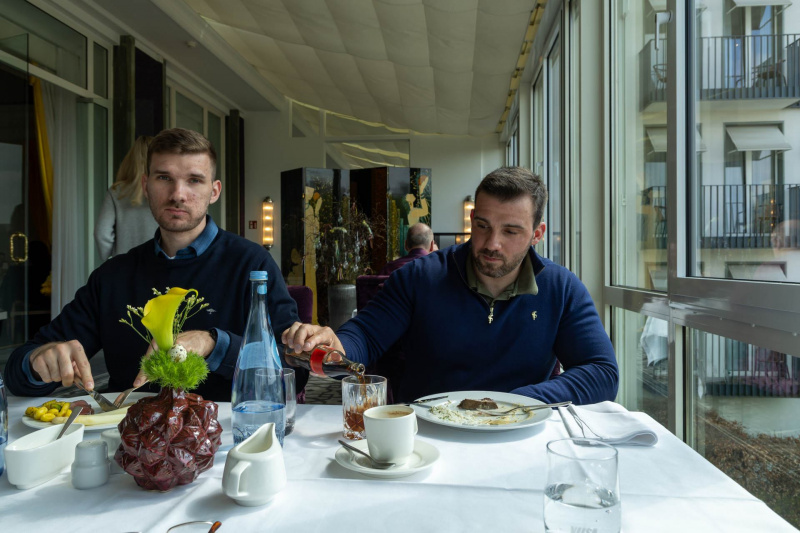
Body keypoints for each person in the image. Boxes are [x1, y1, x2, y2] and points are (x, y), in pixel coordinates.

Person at [4, 128, 301, 401]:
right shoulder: (112, 276)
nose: (177, 194)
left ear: (214, 191)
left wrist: (213, 342)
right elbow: (18, 373)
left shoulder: (252, 265)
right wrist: (38, 362)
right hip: (129, 443)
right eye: (164, 178)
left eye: (194, 180)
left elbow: (294, 370)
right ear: (146, 186)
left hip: (227, 439)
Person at [283, 167, 618, 404]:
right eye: (483, 225)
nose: (492, 243)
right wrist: (334, 343)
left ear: (537, 234)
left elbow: (602, 372)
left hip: (521, 434)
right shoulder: (420, 277)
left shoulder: (562, 288)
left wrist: (520, 401)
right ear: (472, 219)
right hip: (428, 435)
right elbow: (366, 336)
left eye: (511, 232)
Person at [94, 135, 159, 260]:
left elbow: (102, 233)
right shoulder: (163, 191)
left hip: (124, 267)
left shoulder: (117, 192)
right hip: (158, 264)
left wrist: (108, 259)